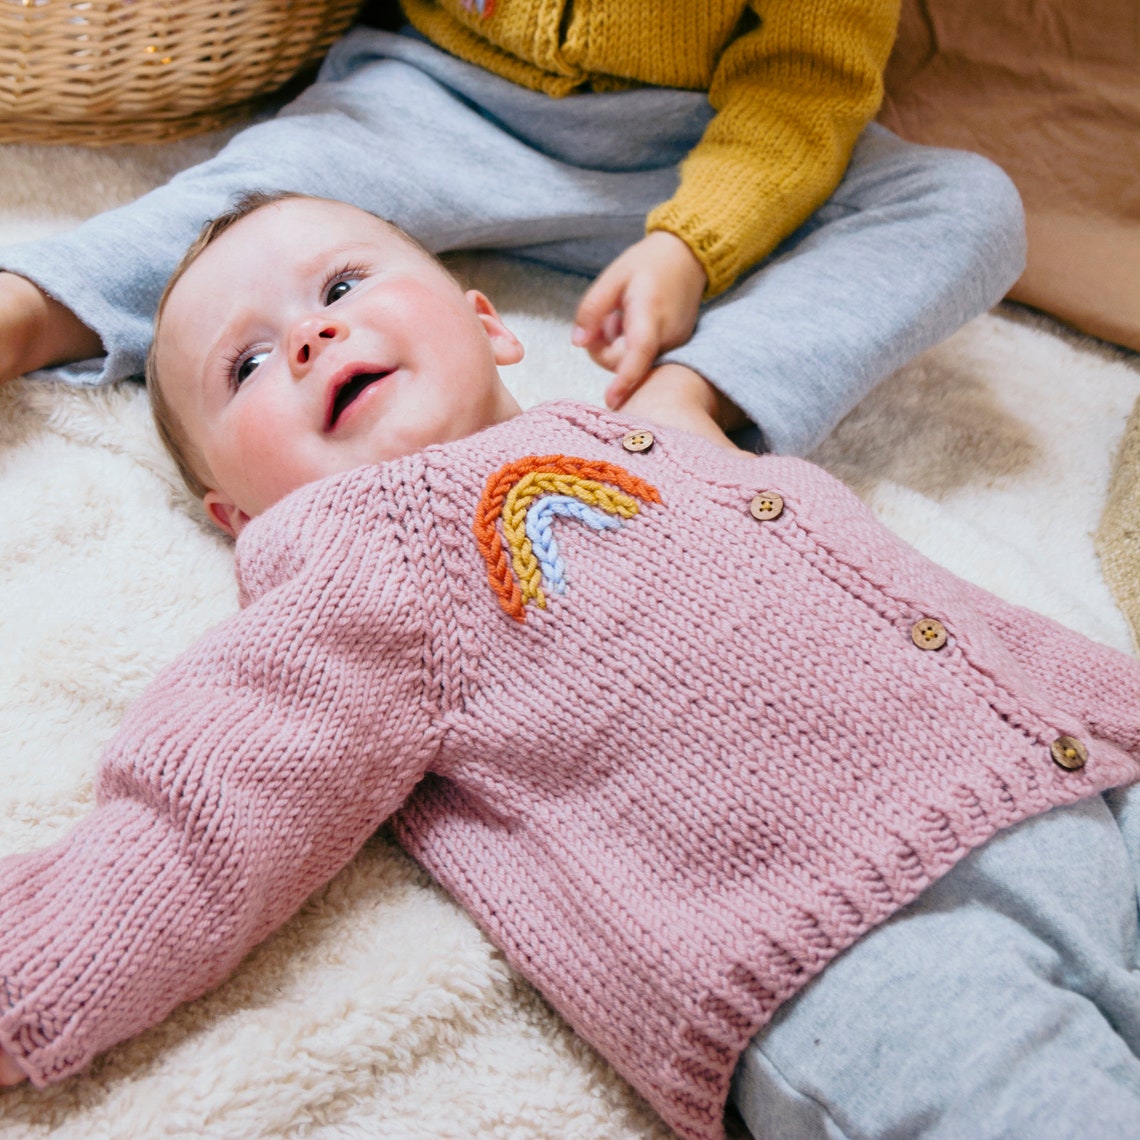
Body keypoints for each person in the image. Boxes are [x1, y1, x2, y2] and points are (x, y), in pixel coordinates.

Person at [1, 193, 1138, 1140]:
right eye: (244, 365)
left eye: (341, 287)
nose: (309, 337)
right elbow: (212, 810)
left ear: (490, 324)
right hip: (851, 946)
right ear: (235, 516)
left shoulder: (654, 433)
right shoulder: (364, 553)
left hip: (1083, 771)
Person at [0, 1, 1026, 457]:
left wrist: (691, 241)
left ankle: (695, 402)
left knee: (964, 206)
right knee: (266, 196)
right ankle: (36, 305)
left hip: (696, 140)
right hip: (436, 101)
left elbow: (806, 91)